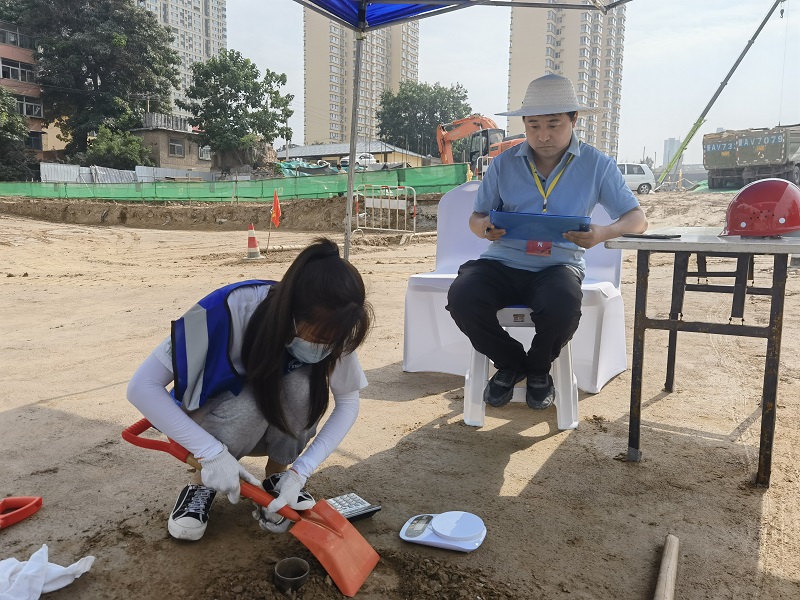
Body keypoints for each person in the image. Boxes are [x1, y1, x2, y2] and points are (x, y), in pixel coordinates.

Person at [126, 238, 373, 540]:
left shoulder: (338, 323)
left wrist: (300, 473)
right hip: (212, 419)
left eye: (334, 341)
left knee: (302, 386)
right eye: (319, 338)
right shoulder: (225, 311)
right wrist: (210, 453)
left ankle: (277, 479)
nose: (327, 348)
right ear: (292, 313)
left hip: (268, 429)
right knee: (251, 403)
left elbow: (348, 402)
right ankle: (201, 483)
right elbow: (142, 387)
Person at [446, 74, 648, 411]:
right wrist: (484, 228)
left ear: (574, 119)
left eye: (554, 124)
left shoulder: (597, 165)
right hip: (502, 261)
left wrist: (601, 233)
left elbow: (638, 219)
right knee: (463, 297)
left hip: (559, 265)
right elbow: (476, 217)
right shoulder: (504, 163)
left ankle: (539, 368)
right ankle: (513, 363)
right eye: (534, 126)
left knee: (563, 306)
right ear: (524, 124)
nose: (543, 136)